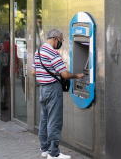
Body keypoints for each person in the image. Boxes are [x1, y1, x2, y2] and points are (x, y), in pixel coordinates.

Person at [32, 29, 84, 159]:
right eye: (61, 40)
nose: (60, 43)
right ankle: (53, 153)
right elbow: (65, 74)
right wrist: (77, 75)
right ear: (55, 38)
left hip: (42, 88)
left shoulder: (38, 51)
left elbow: (33, 72)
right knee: (55, 120)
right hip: (53, 89)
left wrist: (46, 74)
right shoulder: (53, 53)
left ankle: (44, 149)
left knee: (44, 119)